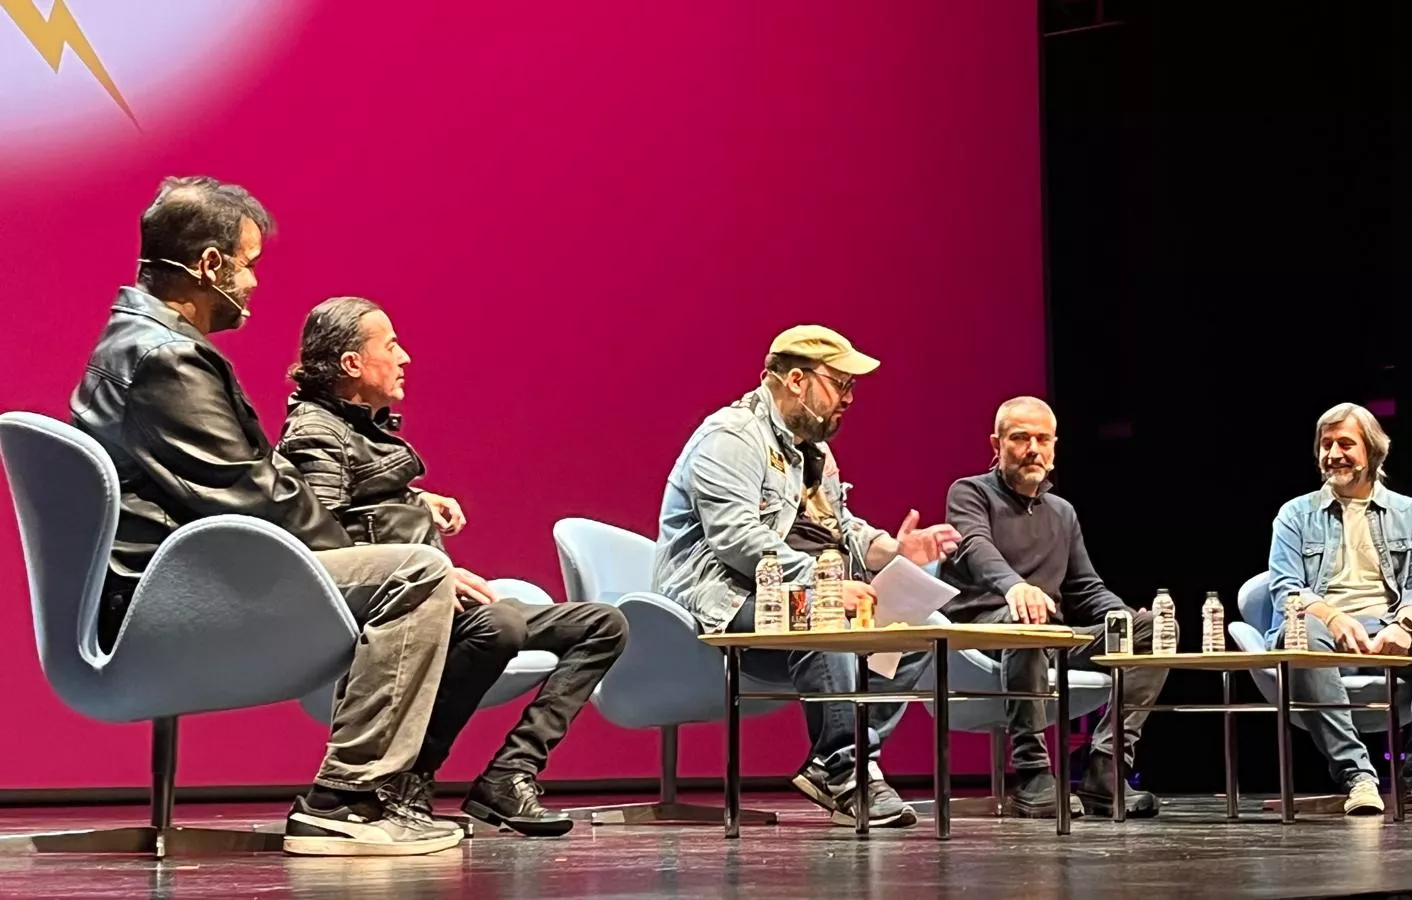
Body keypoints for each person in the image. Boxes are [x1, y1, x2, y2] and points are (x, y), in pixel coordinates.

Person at [69, 177, 460, 856]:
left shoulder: (138, 339)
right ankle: (346, 801)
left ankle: (368, 796)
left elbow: (251, 479)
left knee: (413, 569)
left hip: (169, 576)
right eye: (248, 265)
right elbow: (253, 493)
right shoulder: (166, 358)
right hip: (167, 597)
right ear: (209, 265)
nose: (253, 283)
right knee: (419, 574)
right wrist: (358, 551)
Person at [277, 296, 628, 837]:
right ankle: (407, 779)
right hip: (394, 611)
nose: (405, 358)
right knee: (500, 625)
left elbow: (362, 499)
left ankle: (508, 775)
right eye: (391, 346)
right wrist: (437, 573)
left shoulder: (356, 427)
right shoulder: (315, 432)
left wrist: (418, 501)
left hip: (435, 599)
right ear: (352, 364)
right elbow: (322, 540)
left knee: (602, 624)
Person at [652, 325, 961, 827]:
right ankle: (844, 769)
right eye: (840, 384)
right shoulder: (731, 438)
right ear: (797, 380)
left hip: (786, 599)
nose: (849, 398)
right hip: (719, 600)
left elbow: (840, 527)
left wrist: (892, 549)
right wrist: (823, 585)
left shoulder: (813, 451)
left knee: (917, 632)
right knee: (819, 614)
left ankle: (842, 762)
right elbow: (737, 539)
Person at [938, 396, 1165, 819]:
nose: (1033, 449)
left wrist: (1123, 616)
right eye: (1020, 438)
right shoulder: (970, 492)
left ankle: (1105, 766)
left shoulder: (1062, 512)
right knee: (1028, 621)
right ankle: (1033, 772)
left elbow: (1085, 587)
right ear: (996, 444)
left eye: (1043, 439)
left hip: (1051, 638)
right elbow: (974, 547)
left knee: (1153, 630)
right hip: (982, 633)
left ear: (1054, 446)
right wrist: (1015, 587)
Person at [1267, 402, 1412, 815]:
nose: (1333, 454)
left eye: (1345, 443)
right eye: (1326, 444)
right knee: (1303, 632)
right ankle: (1358, 778)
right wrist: (1333, 617)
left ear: (1373, 451)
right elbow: (1286, 590)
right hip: (1321, 628)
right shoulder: (1295, 515)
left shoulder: (1410, 513)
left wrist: (1403, 625)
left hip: (1390, 626)